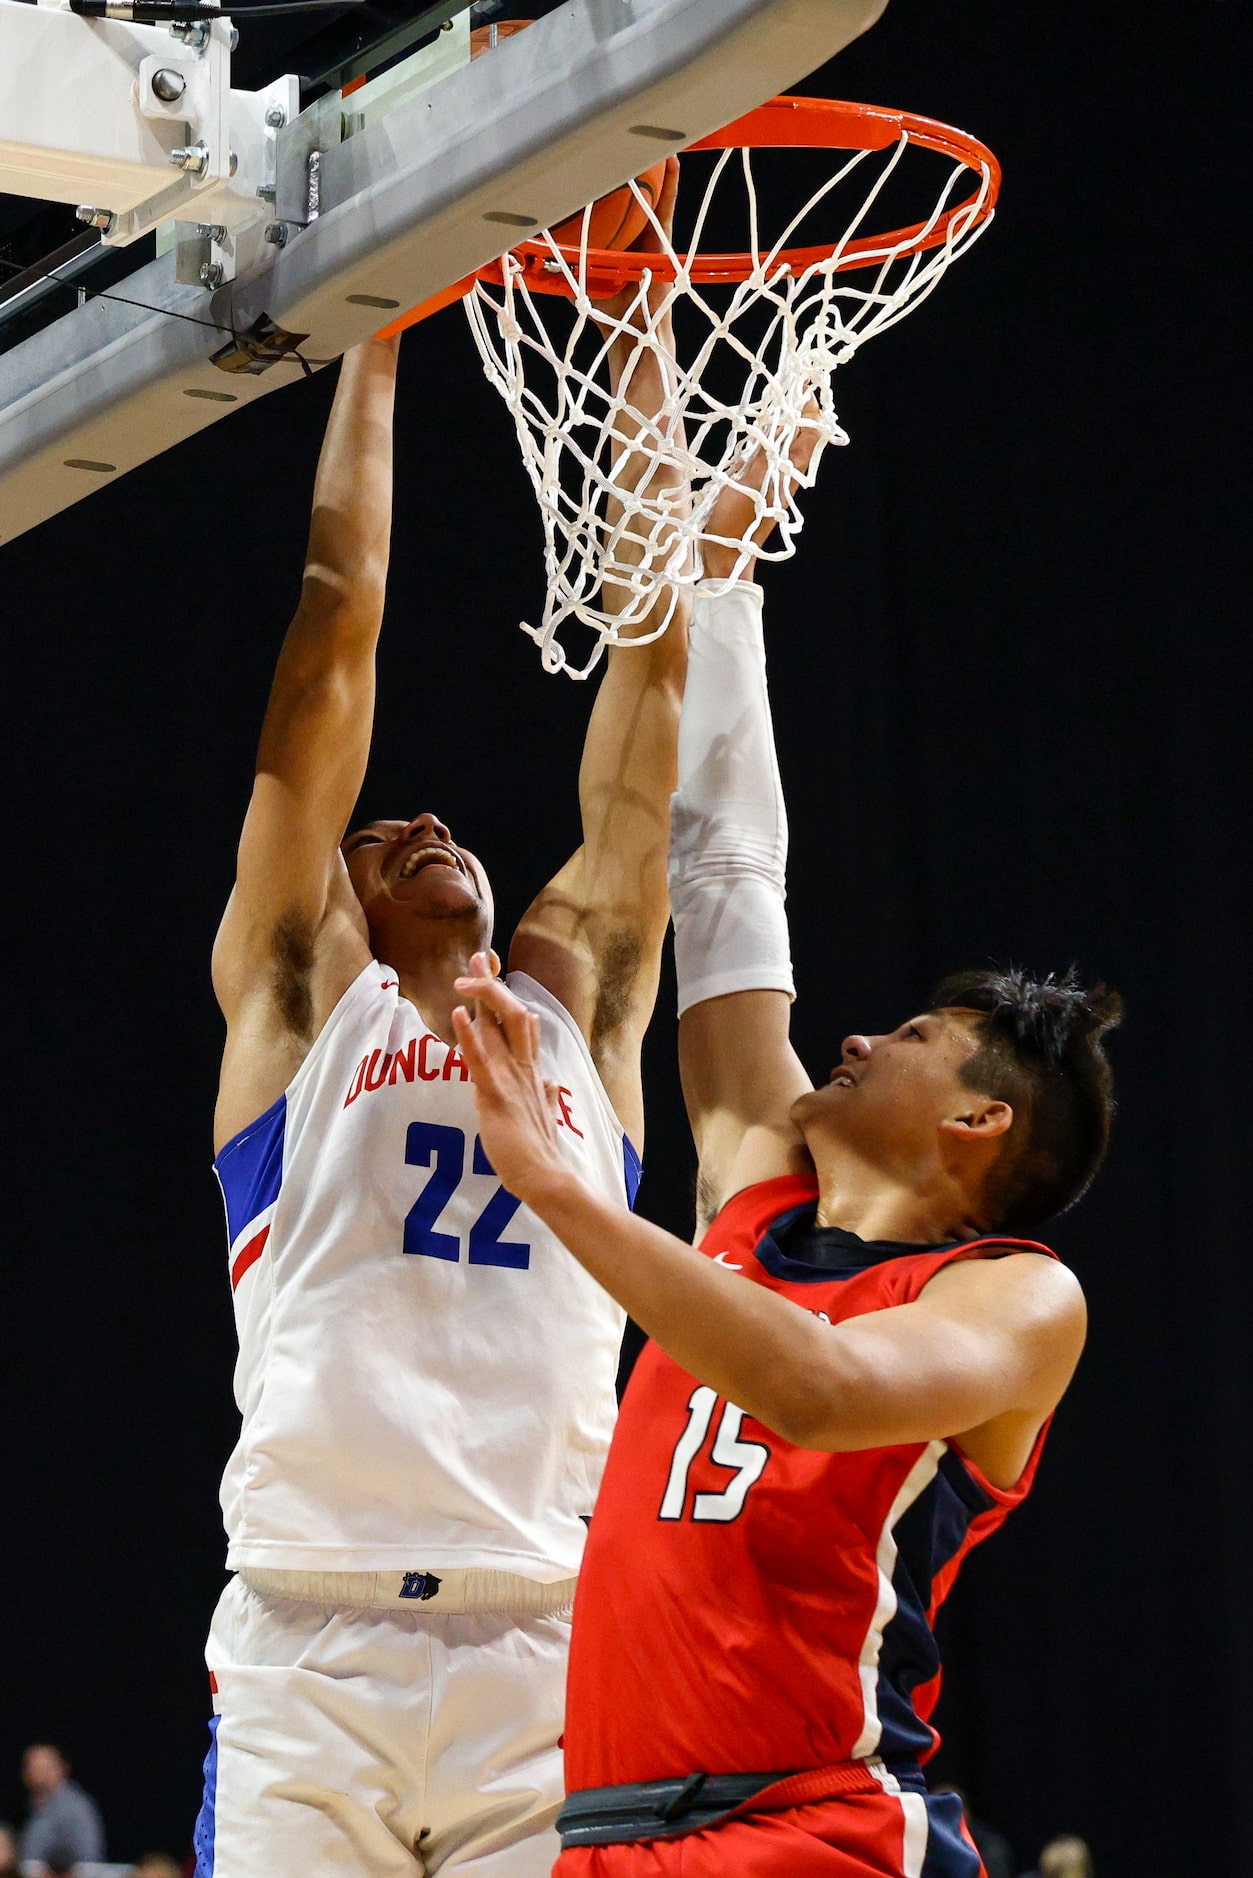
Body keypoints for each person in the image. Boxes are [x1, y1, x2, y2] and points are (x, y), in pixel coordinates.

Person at [449, 487, 1120, 1874]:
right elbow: (726, 876)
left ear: (982, 1122)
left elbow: (820, 1389)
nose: (860, 1035)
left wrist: (564, 1189)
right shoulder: (758, 1195)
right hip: (609, 1836)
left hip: (813, 1828)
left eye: (915, 1039)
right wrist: (724, 576)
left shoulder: (1014, 1299)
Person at [195, 166, 692, 1877]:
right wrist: (376, 328)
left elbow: (653, 673)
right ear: (325, 906)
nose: (418, 819)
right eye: (376, 832)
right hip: (306, 1635)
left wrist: (637, 328)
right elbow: (337, 617)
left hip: (542, 1635)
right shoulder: (294, 1006)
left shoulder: (581, 1009)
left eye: (434, 824)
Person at [18, 1746, 105, 1873]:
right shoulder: (36, 1804)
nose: (38, 1773)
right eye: (33, 1767)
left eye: (46, 1767)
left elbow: (89, 1862)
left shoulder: (76, 1807)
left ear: (64, 1768)